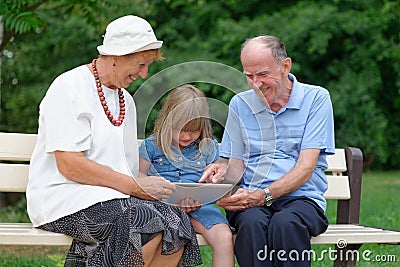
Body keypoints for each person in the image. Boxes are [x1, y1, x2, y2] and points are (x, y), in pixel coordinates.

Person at [26, 15, 202, 267]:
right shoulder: (69, 87)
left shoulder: (125, 101)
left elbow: (124, 171)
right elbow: (69, 165)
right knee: (142, 220)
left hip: (112, 199)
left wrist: (159, 189)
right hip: (62, 200)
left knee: (176, 222)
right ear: (116, 56)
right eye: (140, 65)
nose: (144, 74)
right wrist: (134, 188)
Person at [200, 35, 335, 266]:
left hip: (301, 199)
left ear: (285, 66)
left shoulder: (316, 99)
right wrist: (221, 182)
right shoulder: (240, 105)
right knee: (251, 224)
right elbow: (236, 165)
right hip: (250, 199)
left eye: (263, 74)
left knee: (286, 223)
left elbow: (305, 167)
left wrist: (264, 195)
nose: (256, 84)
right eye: (249, 76)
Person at [138, 84, 235, 267]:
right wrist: (156, 187)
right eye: (180, 129)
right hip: (161, 208)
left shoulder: (208, 147)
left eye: (194, 130)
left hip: (200, 208)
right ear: (167, 121)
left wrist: (214, 181)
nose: (187, 135)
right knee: (157, 234)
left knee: (224, 236)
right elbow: (139, 176)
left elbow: (215, 183)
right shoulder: (152, 146)